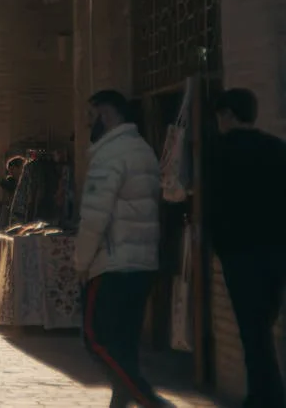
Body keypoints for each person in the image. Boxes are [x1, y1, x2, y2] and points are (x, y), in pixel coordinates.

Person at [209, 88, 286, 408]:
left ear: (228, 115)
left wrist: (221, 243)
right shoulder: (277, 148)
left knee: (253, 331)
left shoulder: (221, 152)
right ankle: (265, 396)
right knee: (261, 325)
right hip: (278, 251)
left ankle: (266, 399)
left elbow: (214, 206)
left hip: (240, 253)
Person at [75, 90, 171, 408]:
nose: (88, 124)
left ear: (106, 114)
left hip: (113, 263)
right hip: (142, 262)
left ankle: (149, 400)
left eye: (91, 116)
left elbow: (94, 218)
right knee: (125, 343)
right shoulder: (142, 149)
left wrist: (81, 262)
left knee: (96, 338)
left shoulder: (110, 156)